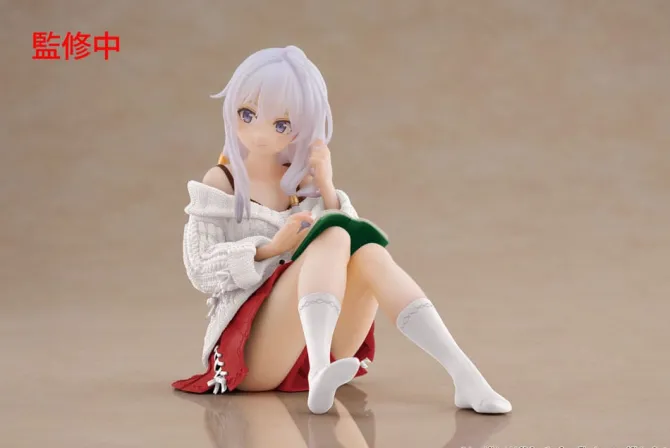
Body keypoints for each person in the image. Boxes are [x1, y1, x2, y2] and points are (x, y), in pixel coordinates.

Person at [172, 45, 512, 415]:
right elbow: (199, 267)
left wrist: (326, 185)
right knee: (334, 235)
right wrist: (270, 248)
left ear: (303, 128)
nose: (261, 133)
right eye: (247, 114)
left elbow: (348, 242)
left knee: (367, 252)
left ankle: (464, 374)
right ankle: (320, 368)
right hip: (251, 352)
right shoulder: (221, 182)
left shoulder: (302, 183)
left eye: (281, 124)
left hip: (306, 348)